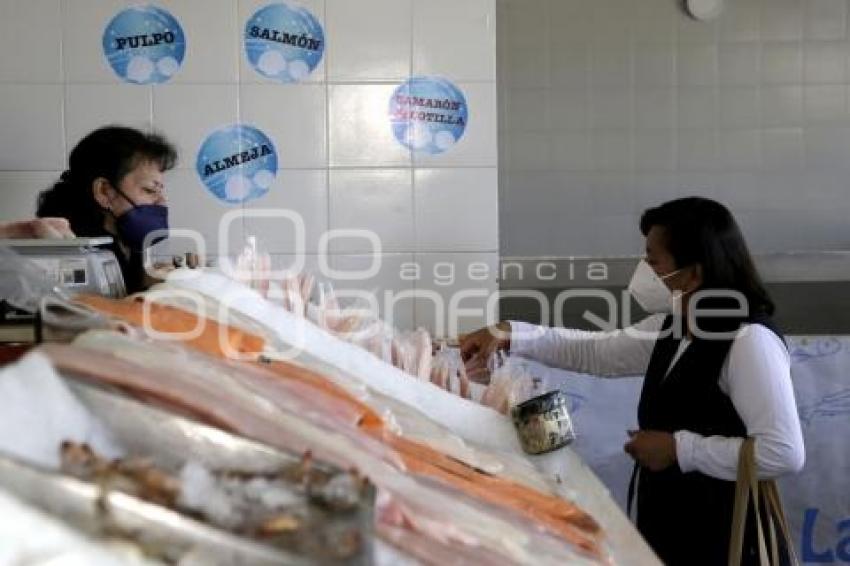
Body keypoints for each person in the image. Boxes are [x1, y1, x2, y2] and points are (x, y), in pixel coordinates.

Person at [460, 197, 804, 566]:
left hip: (726, 540)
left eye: (653, 261)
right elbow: (596, 352)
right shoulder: (672, 326)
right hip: (673, 530)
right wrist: (511, 332)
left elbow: (782, 452)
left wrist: (679, 449)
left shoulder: (748, 340)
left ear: (693, 274)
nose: (644, 270)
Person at [37, 126, 177, 294]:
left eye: (160, 191)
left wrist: (153, 280)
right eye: (149, 190)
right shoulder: (76, 253)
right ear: (104, 191)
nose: (161, 202)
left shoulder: (122, 240)